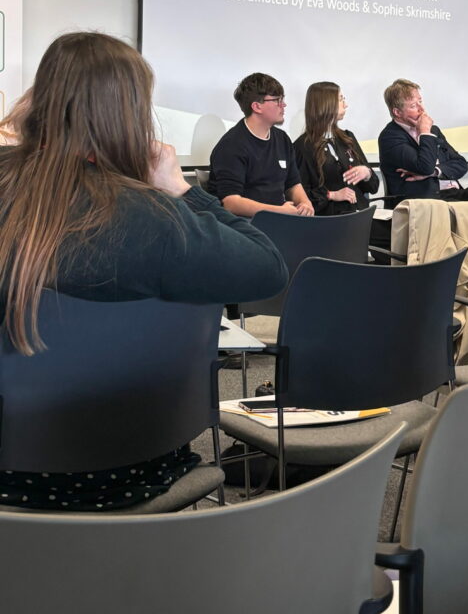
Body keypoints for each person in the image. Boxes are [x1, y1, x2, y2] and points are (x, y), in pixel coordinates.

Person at [0, 31, 287, 511]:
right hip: (137, 465)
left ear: (42, 98)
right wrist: (183, 190)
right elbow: (268, 268)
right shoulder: (157, 217)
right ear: (130, 113)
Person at [378, 78, 468, 205]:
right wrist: (425, 132)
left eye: (420, 101)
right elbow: (425, 167)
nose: (422, 109)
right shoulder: (390, 137)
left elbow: (460, 164)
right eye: (413, 106)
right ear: (397, 112)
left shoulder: (434, 130)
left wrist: (435, 172)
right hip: (425, 200)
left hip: (452, 192)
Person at [208, 72, 314, 217]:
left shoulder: (282, 139)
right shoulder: (231, 145)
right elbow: (231, 202)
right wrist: (279, 211)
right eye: (277, 100)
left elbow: (293, 184)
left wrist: (305, 203)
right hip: (245, 223)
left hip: (278, 219)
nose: (283, 105)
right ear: (257, 106)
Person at [294, 81, 379, 215]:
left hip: (360, 214)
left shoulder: (347, 138)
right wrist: (331, 195)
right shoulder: (302, 147)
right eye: (340, 99)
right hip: (331, 219)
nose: (346, 104)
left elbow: (373, 187)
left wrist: (367, 173)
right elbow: (300, 195)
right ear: (326, 103)